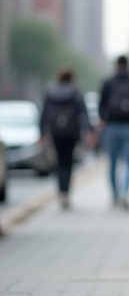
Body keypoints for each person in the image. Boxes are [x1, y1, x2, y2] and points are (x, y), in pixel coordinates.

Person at [39, 66, 93, 209]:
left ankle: (61, 191)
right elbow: (83, 113)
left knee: (59, 163)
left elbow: (44, 113)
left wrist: (42, 132)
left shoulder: (50, 92)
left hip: (55, 131)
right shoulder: (76, 92)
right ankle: (66, 193)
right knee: (68, 162)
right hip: (71, 132)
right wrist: (89, 131)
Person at [98, 56, 129, 210]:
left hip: (111, 127)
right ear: (128, 65)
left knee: (112, 163)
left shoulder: (108, 82)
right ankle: (125, 192)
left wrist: (103, 119)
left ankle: (114, 195)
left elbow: (101, 105)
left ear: (116, 65)